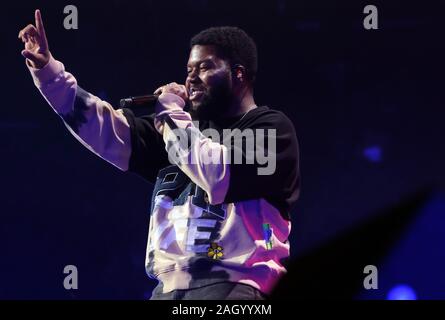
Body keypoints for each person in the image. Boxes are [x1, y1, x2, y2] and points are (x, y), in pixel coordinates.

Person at [19, 9, 300, 300]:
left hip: (237, 288)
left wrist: (170, 114)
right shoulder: (177, 131)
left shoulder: (271, 129)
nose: (192, 79)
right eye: (189, 71)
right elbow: (103, 131)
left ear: (238, 74)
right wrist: (50, 75)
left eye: (204, 68)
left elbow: (218, 175)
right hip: (165, 290)